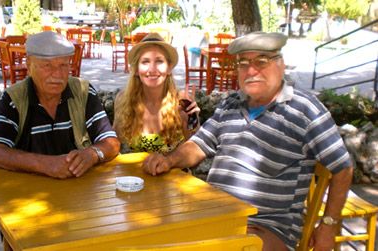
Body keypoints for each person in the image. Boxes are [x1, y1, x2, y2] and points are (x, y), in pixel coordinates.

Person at [141, 32, 353, 251]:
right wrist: (169, 160)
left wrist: (328, 225)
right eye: (243, 63)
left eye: (261, 61)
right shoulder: (231, 103)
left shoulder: (304, 110)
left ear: (281, 65)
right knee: (149, 236)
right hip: (213, 214)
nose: (251, 71)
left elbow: (343, 169)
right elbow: (199, 144)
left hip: (265, 227)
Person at [0, 31, 120, 179]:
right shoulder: (14, 98)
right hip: (29, 192)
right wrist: (45, 164)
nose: (57, 75)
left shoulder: (83, 92)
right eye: (47, 65)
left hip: (78, 189)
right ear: (29, 65)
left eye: (63, 65)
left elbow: (111, 142)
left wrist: (93, 154)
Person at [113, 33, 200, 154]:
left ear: (169, 68)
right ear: (137, 70)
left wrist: (190, 122)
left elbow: (194, 155)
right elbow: (113, 146)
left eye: (159, 61)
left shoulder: (182, 101)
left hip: (175, 173)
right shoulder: (123, 100)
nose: (152, 69)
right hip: (134, 173)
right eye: (145, 62)